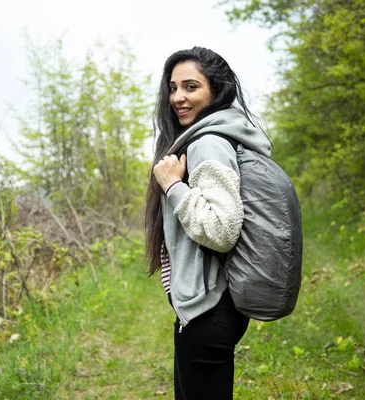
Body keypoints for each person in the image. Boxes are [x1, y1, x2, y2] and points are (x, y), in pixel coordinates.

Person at [144, 47, 273, 399]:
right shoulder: (214, 137)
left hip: (208, 308)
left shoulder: (209, 143)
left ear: (216, 91)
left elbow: (222, 229)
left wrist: (172, 186)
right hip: (207, 308)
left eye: (190, 87)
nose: (177, 98)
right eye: (173, 88)